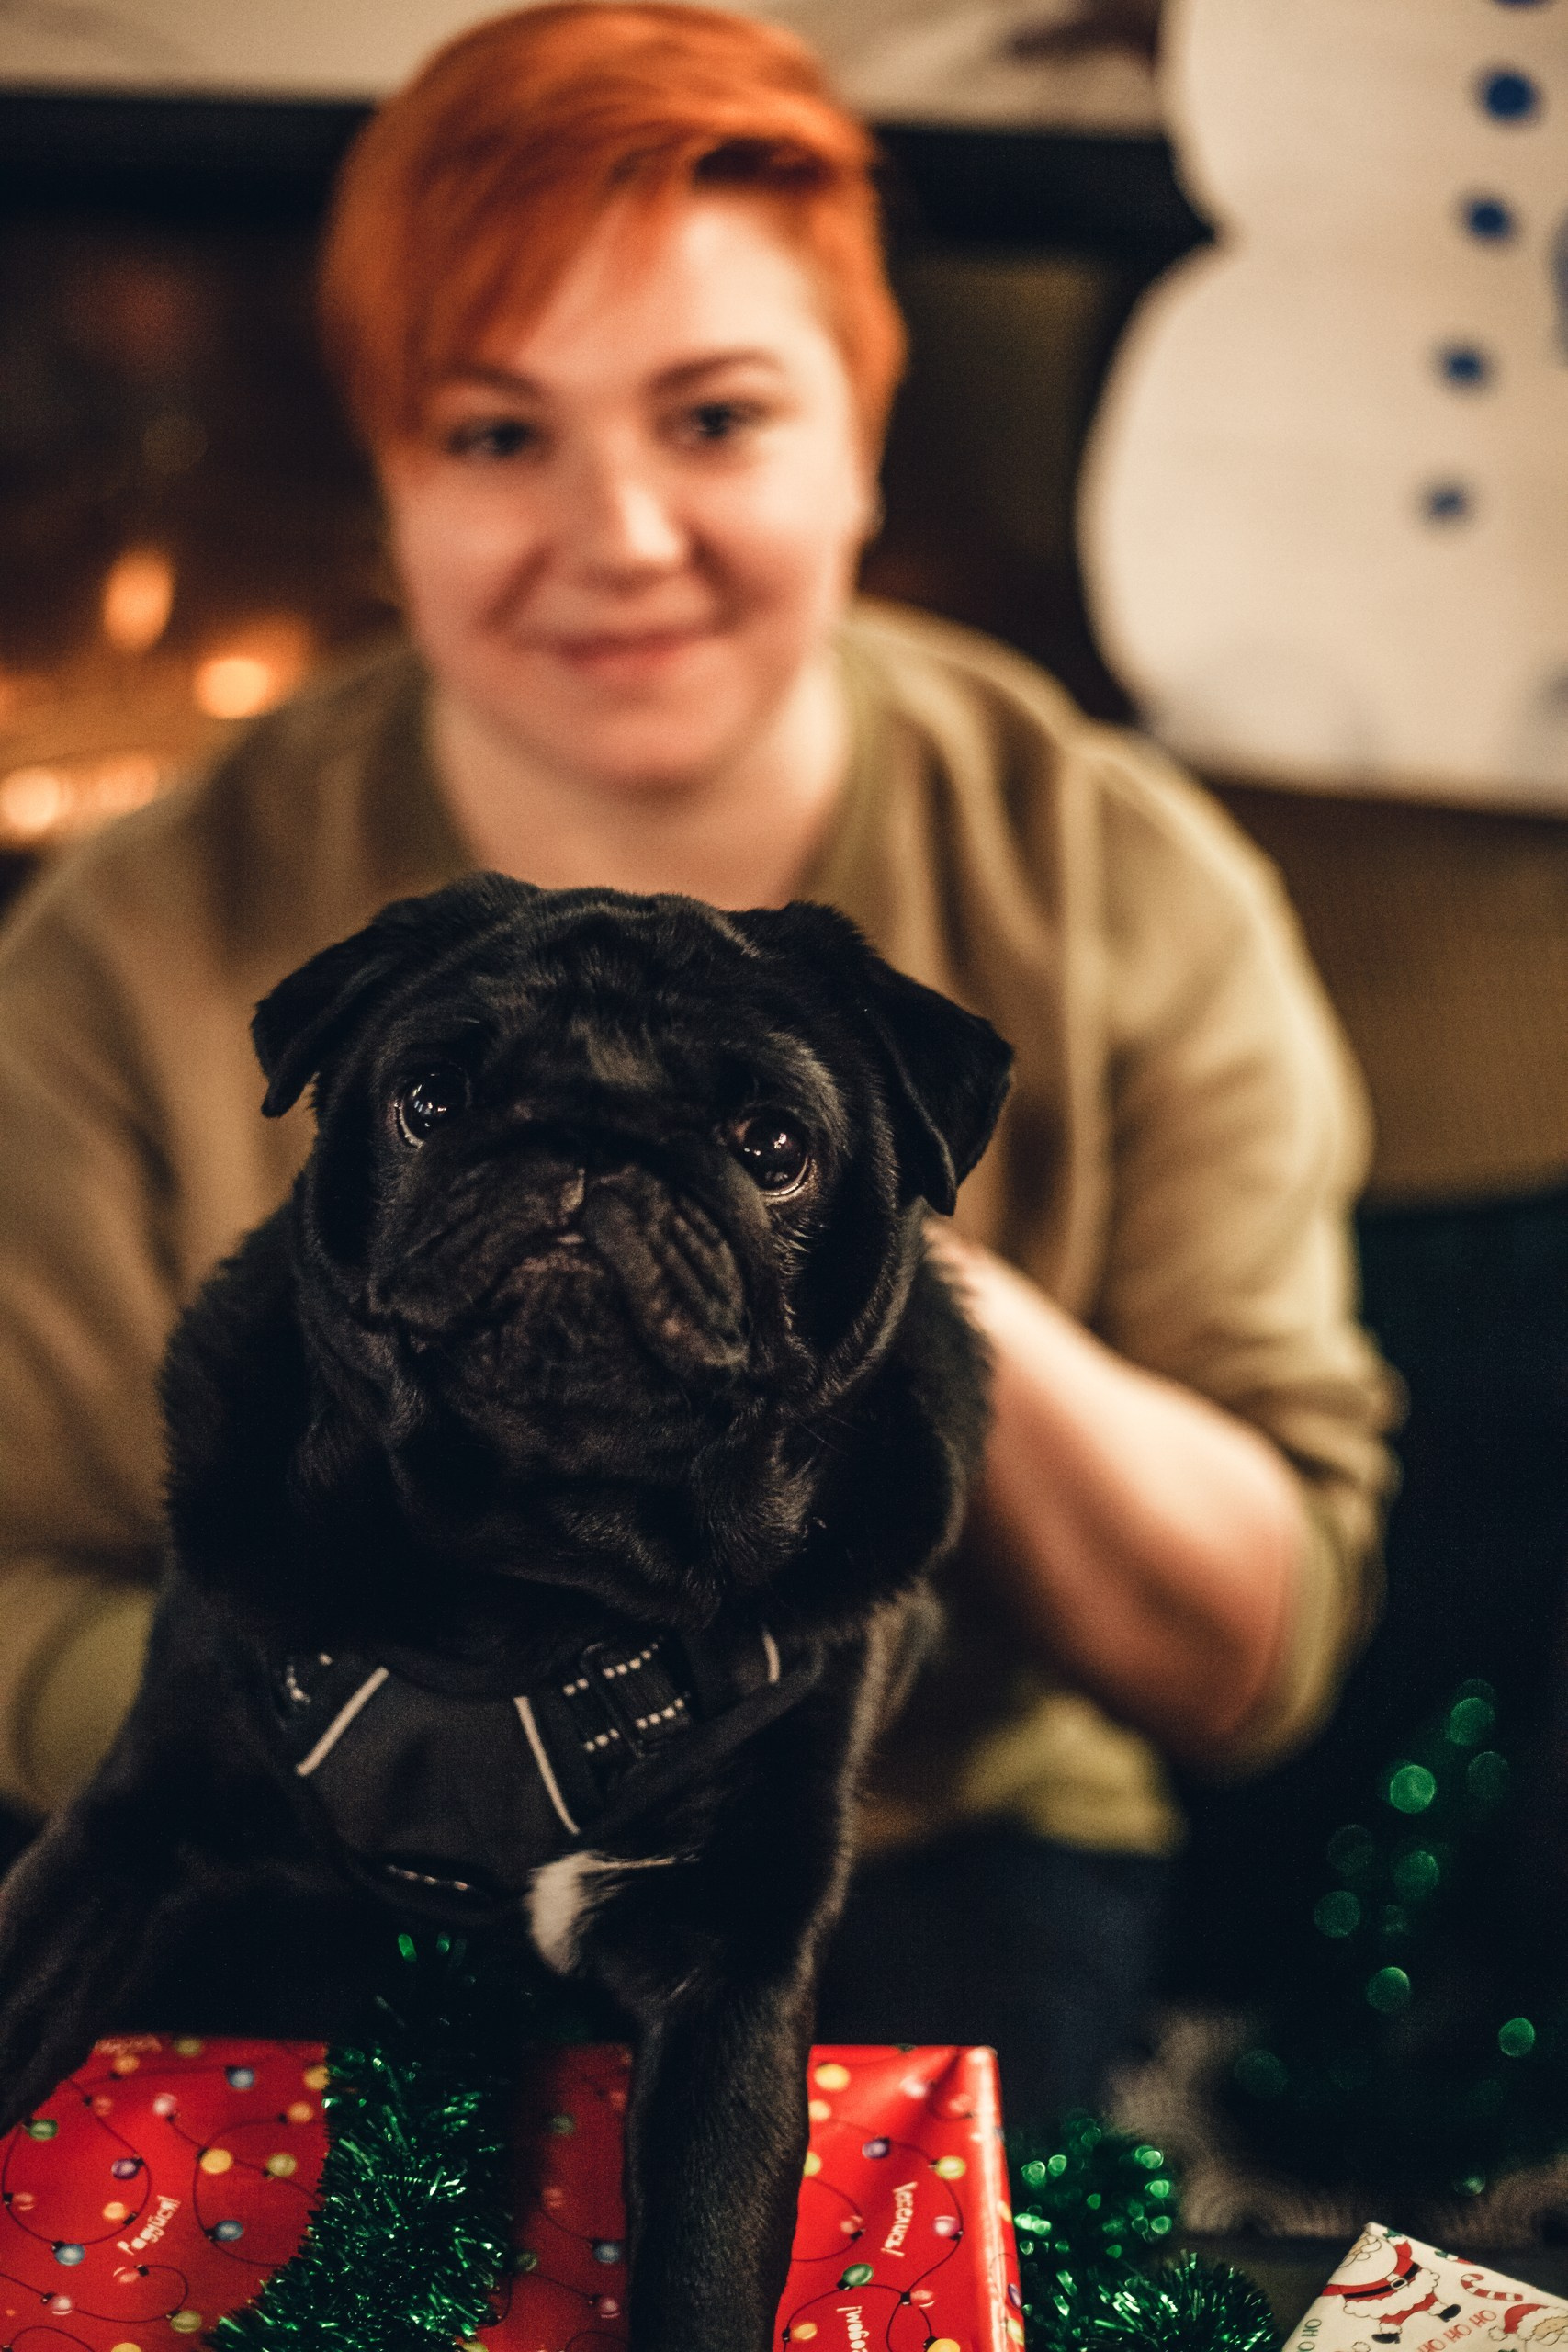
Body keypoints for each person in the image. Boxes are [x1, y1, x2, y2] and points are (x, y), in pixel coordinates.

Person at [0, 1, 1397, 2118]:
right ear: (387, 484)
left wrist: (850, 1269)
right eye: (496, 436)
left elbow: (1254, 1650)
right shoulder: (139, 931)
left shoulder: (1113, 876)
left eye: (715, 417)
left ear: (862, 436)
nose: (622, 535)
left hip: (902, 1828)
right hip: (291, 1824)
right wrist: (359, 1737)